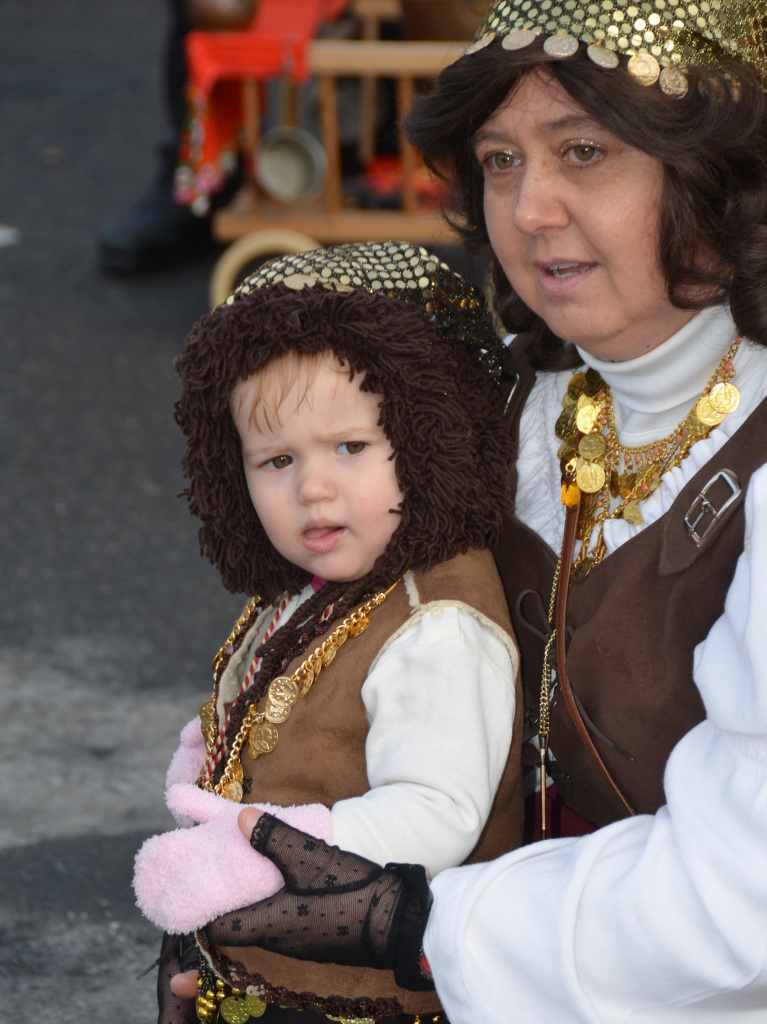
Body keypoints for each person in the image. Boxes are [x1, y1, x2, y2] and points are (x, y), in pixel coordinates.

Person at [167, 1, 767, 1020]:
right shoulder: (495, 409)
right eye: (498, 161)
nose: (528, 208)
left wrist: (412, 928)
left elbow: (739, 896)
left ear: (713, 173)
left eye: (582, 151)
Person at [135, 241, 524, 1023]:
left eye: (351, 447)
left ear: (425, 436)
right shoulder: (325, 584)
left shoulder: (436, 628)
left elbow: (433, 815)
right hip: (272, 975)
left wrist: (248, 844)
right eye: (274, 460)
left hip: (361, 1000)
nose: (313, 488)